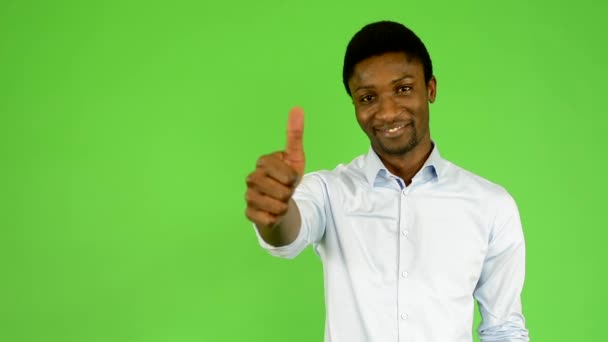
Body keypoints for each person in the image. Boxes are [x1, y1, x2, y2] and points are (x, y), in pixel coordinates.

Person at [244, 21, 529, 342]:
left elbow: (503, 328)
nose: (388, 112)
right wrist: (277, 210)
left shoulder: (491, 205)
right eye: (367, 98)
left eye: (403, 89)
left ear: (431, 88)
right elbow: (287, 235)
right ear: (354, 104)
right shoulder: (329, 191)